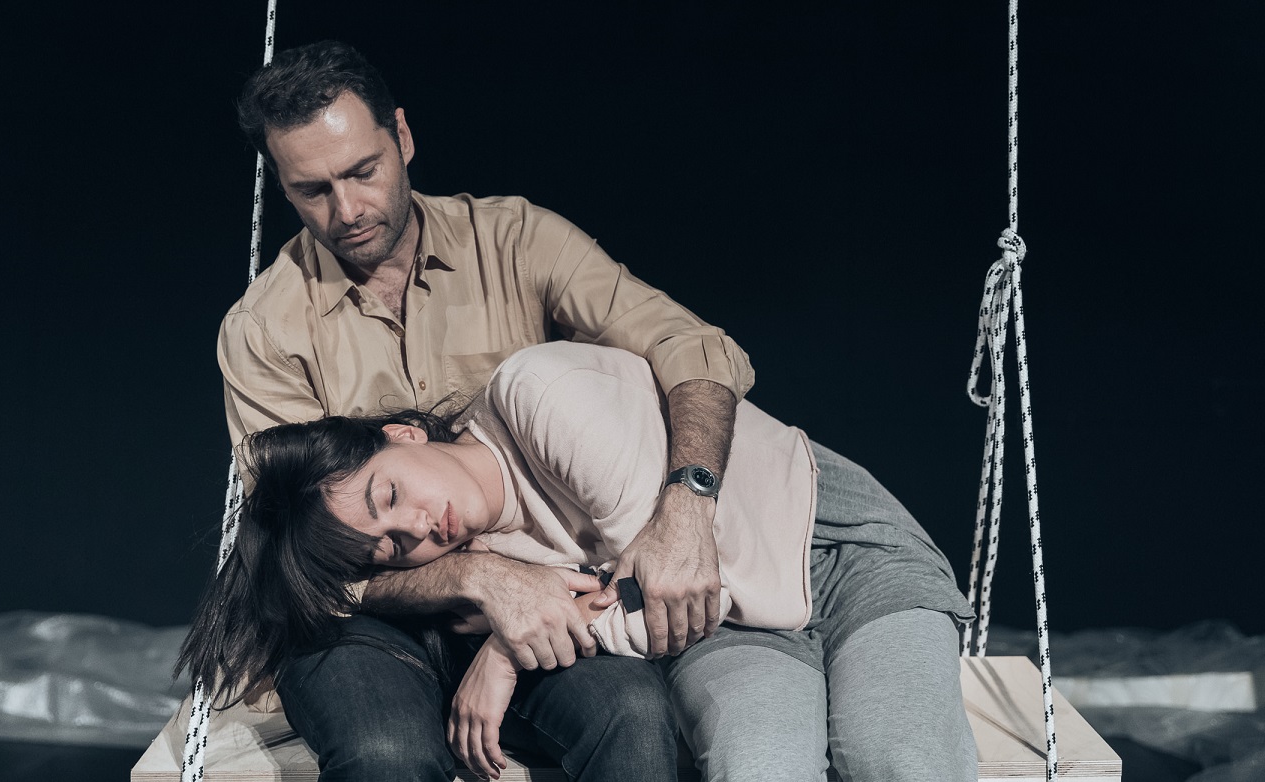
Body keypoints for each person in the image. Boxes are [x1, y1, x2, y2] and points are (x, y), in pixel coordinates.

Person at [215, 39, 778, 781]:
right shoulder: (262, 330)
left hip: (545, 588)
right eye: (312, 190)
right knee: (387, 753)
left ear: (402, 137)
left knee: (635, 718)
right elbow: (298, 560)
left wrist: (688, 502)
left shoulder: (517, 240)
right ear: (283, 187)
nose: (346, 210)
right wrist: (477, 578)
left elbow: (693, 347)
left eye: (362, 171)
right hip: (367, 621)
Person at [201, 341, 980, 781]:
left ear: (403, 435)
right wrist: (511, 616)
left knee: (896, 756)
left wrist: (506, 654)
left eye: (392, 495)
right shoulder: (489, 551)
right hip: (730, 623)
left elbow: (675, 578)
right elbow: (666, 609)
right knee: (759, 767)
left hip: (840, 553)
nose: (418, 527)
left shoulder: (542, 396)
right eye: (395, 545)